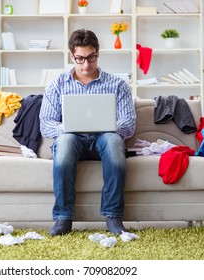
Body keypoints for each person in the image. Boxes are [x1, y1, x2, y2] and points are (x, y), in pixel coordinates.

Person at [39, 29, 136, 236]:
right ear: (71, 56)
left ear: (98, 53)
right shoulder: (57, 84)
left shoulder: (118, 84)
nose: (86, 64)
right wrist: (67, 127)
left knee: (113, 141)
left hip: (104, 139)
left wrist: (110, 125)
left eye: (91, 57)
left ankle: (113, 215)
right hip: (72, 140)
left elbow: (128, 123)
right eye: (80, 58)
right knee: (64, 142)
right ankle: (62, 217)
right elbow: (46, 123)